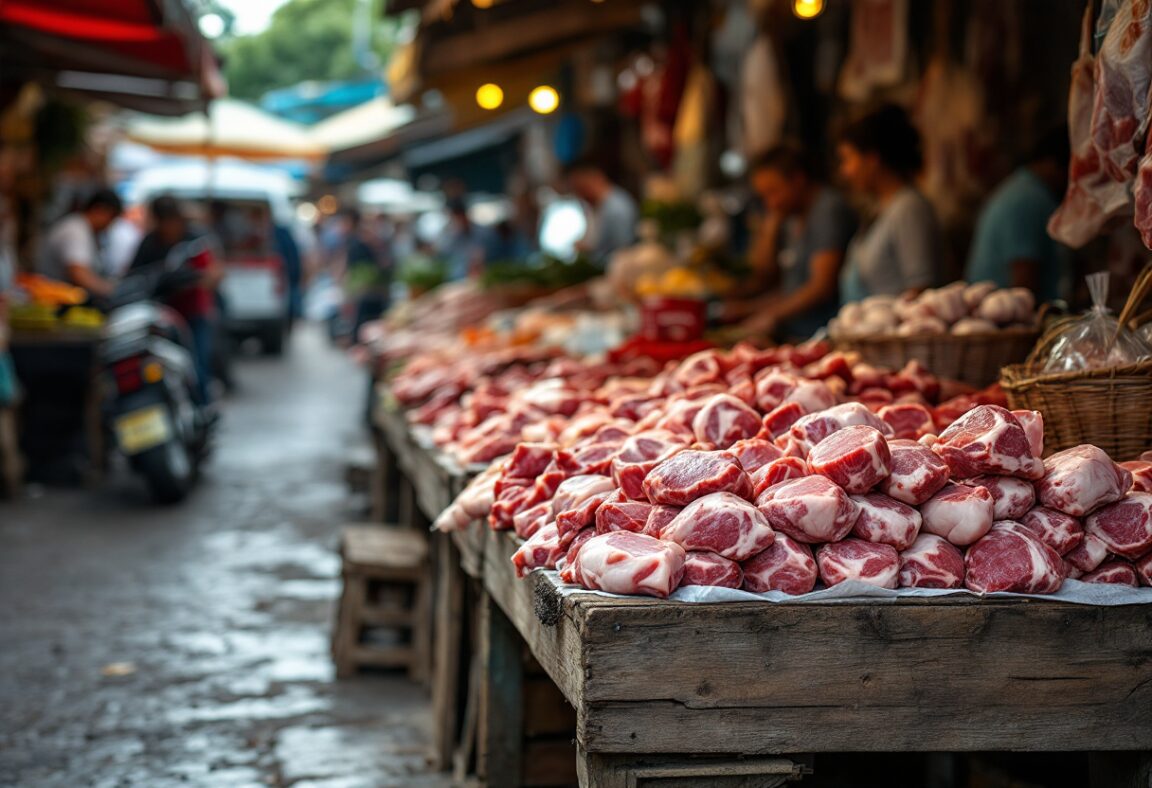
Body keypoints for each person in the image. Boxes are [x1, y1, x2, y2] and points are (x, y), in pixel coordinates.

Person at [721, 143, 857, 340]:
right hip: (794, 333)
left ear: (798, 180)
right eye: (764, 196)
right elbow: (765, 272)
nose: (771, 203)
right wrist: (749, 309)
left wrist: (770, 316)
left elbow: (821, 286)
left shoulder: (827, 211)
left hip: (820, 336)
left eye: (774, 191)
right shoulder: (791, 217)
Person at [836, 104, 942, 302]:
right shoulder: (881, 208)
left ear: (872, 160)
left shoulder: (909, 209)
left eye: (847, 159)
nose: (844, 171)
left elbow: (921, 289)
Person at [129, 196, 224, 404]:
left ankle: (203, 410)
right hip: (161, 315)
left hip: (194, 313)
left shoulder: (195, 240)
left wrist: (195, 281)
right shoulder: (150, 243)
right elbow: (133, 276)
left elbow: (215, 272)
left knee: (197, 365)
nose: (168, 227)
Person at [965, 127, 1072, 304]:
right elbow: (1023, 278)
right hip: (1004, 319)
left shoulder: (1020, 189)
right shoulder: (1029, 199)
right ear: (1053, 165)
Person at [40, 188, 123, 298]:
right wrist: (109, 290)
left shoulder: (83, 228)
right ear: (100, 210)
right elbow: (79, 274)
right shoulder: (75, 231)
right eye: (111, 219)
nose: (110, 225)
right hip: (55, 300)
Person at [564, 159, 638, 262]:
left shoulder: (616, 207)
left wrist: (590, 250)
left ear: (594, 179)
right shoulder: (599, 206)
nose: (580, 195)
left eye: (581, 188)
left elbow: (623, 250)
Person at [342, 209, 393, 340]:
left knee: (369, 318)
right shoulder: (356, 240)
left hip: (371, 289)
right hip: (363, 287)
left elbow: (383, 263)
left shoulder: (370, 241)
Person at [438, 200, 487, 282]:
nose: (457, 221)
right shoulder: (448, 234)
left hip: (478, 280)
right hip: (452, 280)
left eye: (459, 217)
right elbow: (440, 255)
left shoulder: (483, 233)